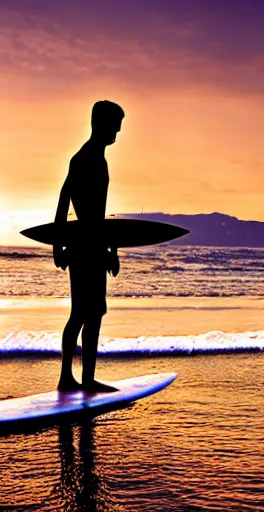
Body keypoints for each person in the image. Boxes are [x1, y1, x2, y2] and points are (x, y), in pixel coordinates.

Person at [53, 100, 124, 392]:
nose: (118, 131)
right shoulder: (87, 158)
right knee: (82, 313)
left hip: (90, 245)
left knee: (92, 313)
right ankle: (69, 378)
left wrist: (110, 249)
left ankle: (85, 378)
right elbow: (66, 197)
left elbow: (84, 208)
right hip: (86, 246)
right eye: (115, 124)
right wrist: (60, 244)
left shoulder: (93, 157)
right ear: (101, 123)